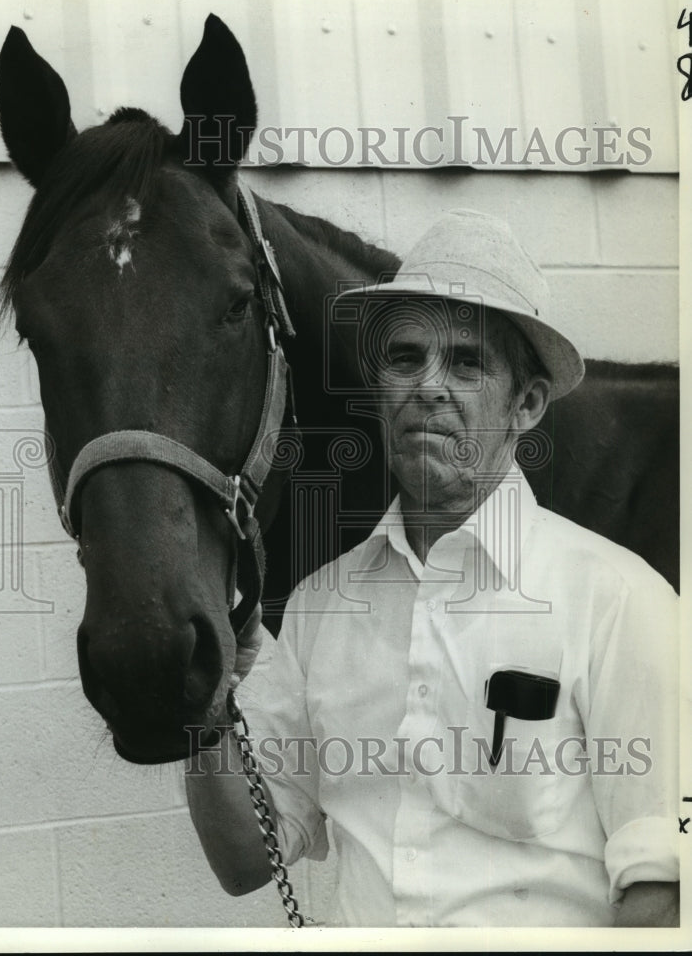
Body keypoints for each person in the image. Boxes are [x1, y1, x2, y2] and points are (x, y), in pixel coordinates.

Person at [184, 209, 680, 928]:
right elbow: (243, 858)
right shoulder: (323, 606)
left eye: (468, 362)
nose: (429, 386)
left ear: (528, 404)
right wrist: (204, 714)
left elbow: (658, 892)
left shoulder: (620, 601)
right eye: (406, 357)